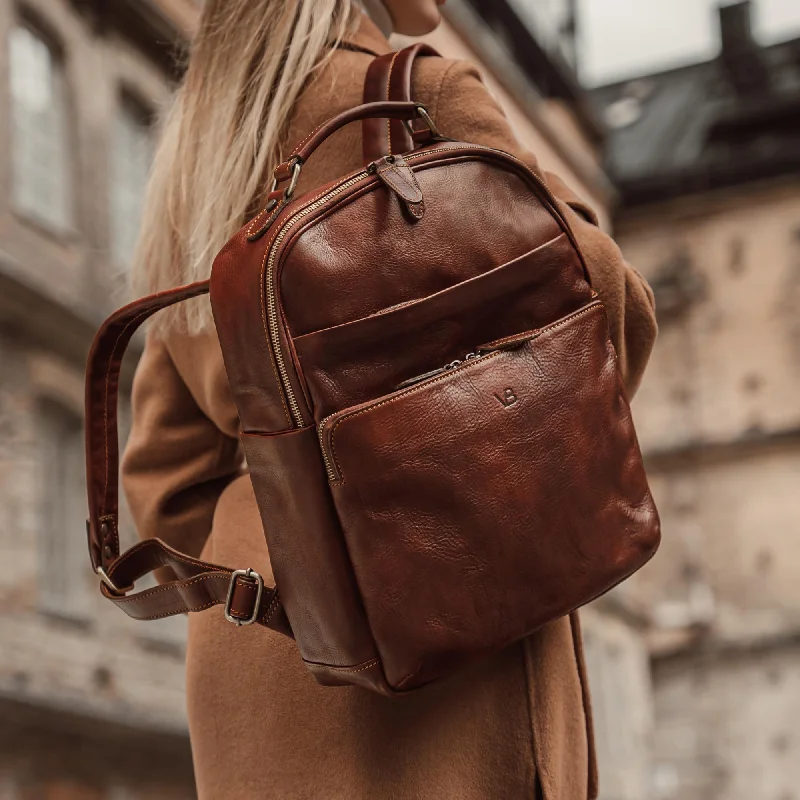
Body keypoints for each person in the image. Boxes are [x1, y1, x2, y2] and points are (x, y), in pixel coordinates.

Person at [123, 1, 658, 798]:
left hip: (261, 637)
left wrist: (290, 533)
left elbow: (164, 481)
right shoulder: (419, 98)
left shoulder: (193, 158)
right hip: (445, 597)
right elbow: (612, 323)